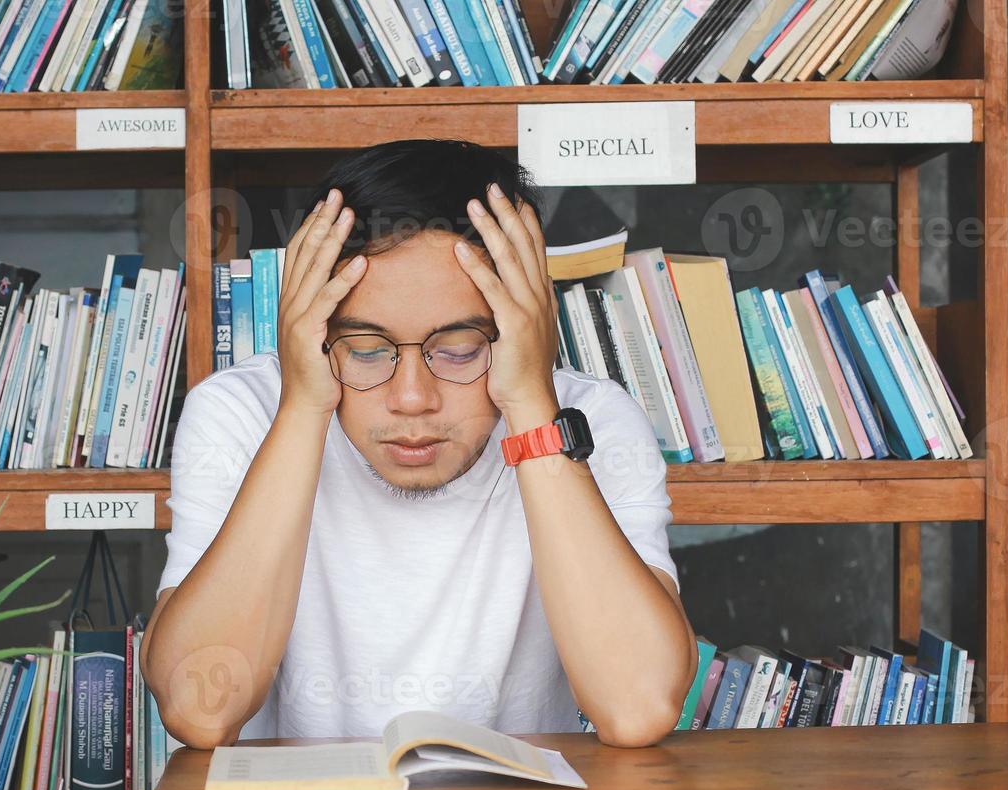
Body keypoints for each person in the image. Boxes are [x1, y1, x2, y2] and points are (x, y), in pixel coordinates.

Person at [141, 138, 697, 750]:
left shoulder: (590, 419)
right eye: (367, 349)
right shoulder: (241, 412)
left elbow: (638, 705)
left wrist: (533, 408)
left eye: (459, 349)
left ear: (524, 329)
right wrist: (302, 408)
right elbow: (199, 709)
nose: (412, 398)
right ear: (312, 333)